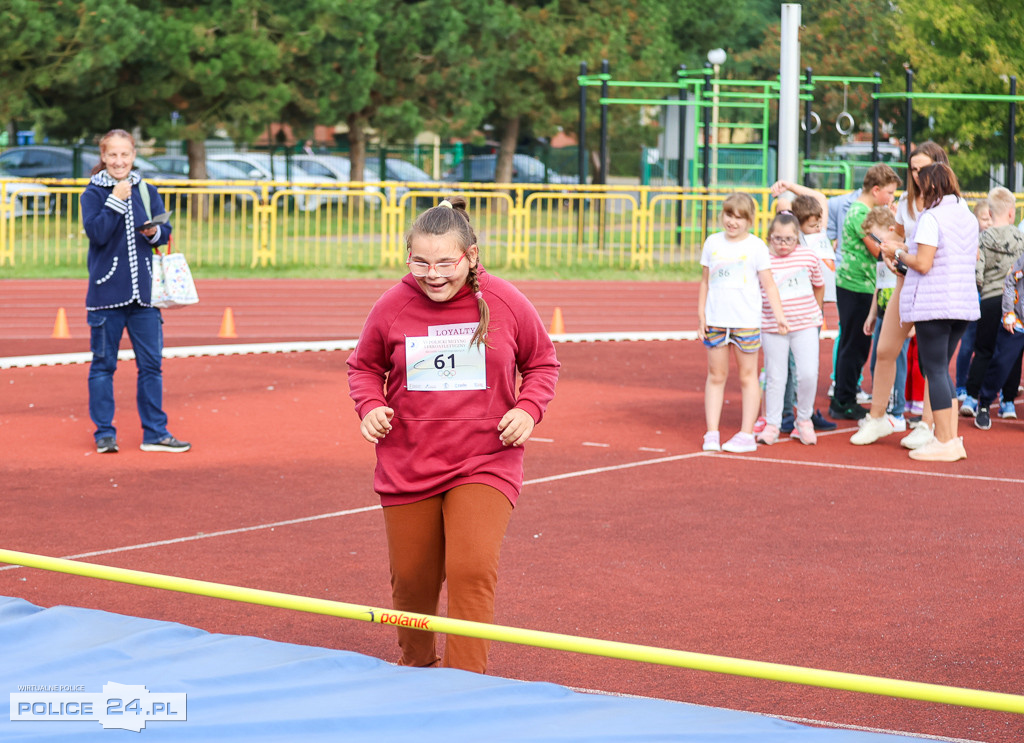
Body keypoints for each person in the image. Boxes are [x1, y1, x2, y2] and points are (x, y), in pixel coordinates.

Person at [346, 196, 559, 674]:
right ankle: (416, 666)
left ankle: (466, 682)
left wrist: (528, 409)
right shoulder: (393, 305)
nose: (433, 273)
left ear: (472, 256)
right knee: (413, 584)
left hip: (486, 460)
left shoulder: (506, 301)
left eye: (446, 262)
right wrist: (371, 405)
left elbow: (543, 362)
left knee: (472, 570)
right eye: (420, 262)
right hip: (409, 462)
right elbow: (363, 367)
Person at [81, 129, 191, 454]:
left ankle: (155, 432)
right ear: (103, 157)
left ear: (133, 155)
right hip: (105, 297)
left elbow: (163, 231)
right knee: (103, 366)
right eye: (112, 155)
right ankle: (104, 433)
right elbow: (97, 234)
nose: (119, 161)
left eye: (125, 155)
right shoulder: (92, 194)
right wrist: (115, 200)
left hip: (145, 297)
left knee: (152, 365)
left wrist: (156, 231)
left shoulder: (147, 190)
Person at [848, 143, 949, 448]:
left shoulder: (948, 205)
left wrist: (902, 251)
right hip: (905, 283)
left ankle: (927, 425)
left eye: (923, 168)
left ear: (939, 168)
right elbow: (896, 236)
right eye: (913, 169)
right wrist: (888, 249)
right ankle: (877, 419)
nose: (918, 175)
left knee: (934, 362)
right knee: (884, 349)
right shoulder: (906, 200)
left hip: (933, 287)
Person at [880, 162, 979, 461]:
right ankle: (948, 438)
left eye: (921, 187)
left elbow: (923, 263)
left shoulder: (931, 217)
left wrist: (896, 252)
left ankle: (946, 441)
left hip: (935, 303)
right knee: (941, 371)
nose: (918, 194)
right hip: (962, 302)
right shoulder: (967, 215)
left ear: (930, 188)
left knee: (933, 370)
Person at [698, 192, 788, 453]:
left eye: (739, 217)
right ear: (722, 215)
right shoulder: (712, 243)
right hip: (716, 321)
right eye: (729, 215)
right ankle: (711, 433)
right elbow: (705, 281)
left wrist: (779, 315)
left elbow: (768, 284)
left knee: (748, 377)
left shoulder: (757, 246)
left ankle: (746, 434)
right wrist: (701, 315)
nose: (733, 222)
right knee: (716, 376)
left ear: (749, 220)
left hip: (746, 322)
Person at [831, 163, 902, 421]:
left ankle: (844, 395)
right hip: (856, 285)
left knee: (854, 344)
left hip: (858, 284)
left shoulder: (863, 210)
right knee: (854, 345)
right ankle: (843, 399)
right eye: (890, 193)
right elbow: (878, 250)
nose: (891, 198)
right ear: (876, 190)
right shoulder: (861, 213)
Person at [755, 211, 824, 445]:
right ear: (769, 237)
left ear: (798, 238)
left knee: (807, 373)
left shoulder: (808, 257)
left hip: (805, 324)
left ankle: (804, 419)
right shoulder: (763, 259)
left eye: (789, 239)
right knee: (776, 376)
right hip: (772, 326)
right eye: (777, 239)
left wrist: (817, 312)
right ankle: (772, 423)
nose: (783, 245)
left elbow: (819, 285)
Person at [959, 187, 1024, 418]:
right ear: (1010, 212)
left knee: (983, 349)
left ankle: (972, 395)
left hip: (988, 299)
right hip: (1014, 302)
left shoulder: (983, 238)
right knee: (1013, 353)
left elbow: (977, 272)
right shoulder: (1020, 237)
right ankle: (1007, 401)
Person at [857, 206, 909, 436]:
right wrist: (872, 313)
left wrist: (912, 323)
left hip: (899, 317)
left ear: (891, 229)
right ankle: (881, 410)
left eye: (878, 238)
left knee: (897, 364)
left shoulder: (902, 252)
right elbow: (880, 283)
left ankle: (897, 412)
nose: (876, 243)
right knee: (878, 362)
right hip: (882, 314)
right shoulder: (882, 252)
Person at [975, 252, 1024, 429]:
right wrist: (1008, 312)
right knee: (1001, 364)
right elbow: (1010, 282)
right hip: (1018, 321)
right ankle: (984, 405)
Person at [955, 199, 992, 400]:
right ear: (975, 219)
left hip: (989, 297)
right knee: (967, 343)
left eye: (990, 219)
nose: (987, 222)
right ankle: (961, 384)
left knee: (987, 344)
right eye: (983, 218)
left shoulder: (995, 241)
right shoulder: (970, 240)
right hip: (971, 296)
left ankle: (983, 383)